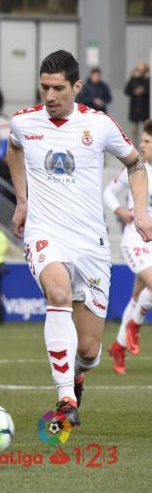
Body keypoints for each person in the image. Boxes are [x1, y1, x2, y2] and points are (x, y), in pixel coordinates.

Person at [8, 50, 152, 430]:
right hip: (45, 233)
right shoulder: (24, 123)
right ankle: (65, 399)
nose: (50, 96)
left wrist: (141, 212)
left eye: (58, 88)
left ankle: (78, 378)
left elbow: (135, 163)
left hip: (91, 243)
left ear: (77, 87)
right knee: (57, 293)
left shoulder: (99, 125)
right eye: (44, 88)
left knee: (87, 350)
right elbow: (14, 148)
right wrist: (22, 201)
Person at [103, 119, 152, 374]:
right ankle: (134, 327)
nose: (141, 145)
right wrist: (120, 210)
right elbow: (108, 193)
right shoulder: (136, 168)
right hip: (135, 237)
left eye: (146, 141)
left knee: (137, 297)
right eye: (141, 140)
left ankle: (119, 347)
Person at [124, 63, 150, 145]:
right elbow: (126, 90)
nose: (141, 71)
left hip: (145, 109)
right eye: (139, 69)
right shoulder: (133, 79)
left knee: (146, 131)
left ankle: (145, 148)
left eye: (143, 69)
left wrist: (144, 90)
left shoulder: (148, 79)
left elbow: (149, 89)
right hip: (134, 109)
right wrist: (134, 92)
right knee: (134, 132)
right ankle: (134, 150)